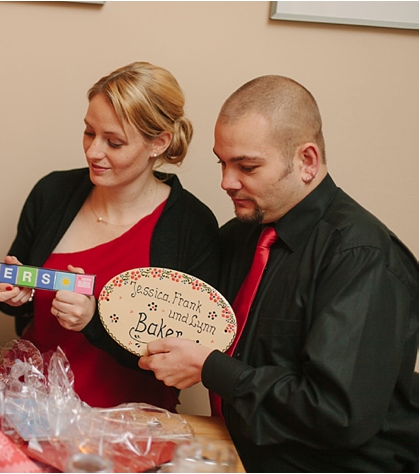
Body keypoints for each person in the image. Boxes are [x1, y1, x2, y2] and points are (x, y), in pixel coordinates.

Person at [139, 75, 418, 471]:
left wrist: (210, 368)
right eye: (222, 162)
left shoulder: (362, 257)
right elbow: (180, 311)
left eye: (247, 166)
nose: (226, 182)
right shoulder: (241, 235)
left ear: (307, 161)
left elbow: (337, 415)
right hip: (243, 458)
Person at [0, 62, 220, 411]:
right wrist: (12, 291)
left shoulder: (192, 226)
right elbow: (21, 303)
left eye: (113, 142)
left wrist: (93, 321)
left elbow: (177, 361)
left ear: (158, 142)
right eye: (88, 132)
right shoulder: (52, 192)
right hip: (28, 407)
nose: (93, 152)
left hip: (127, 425)